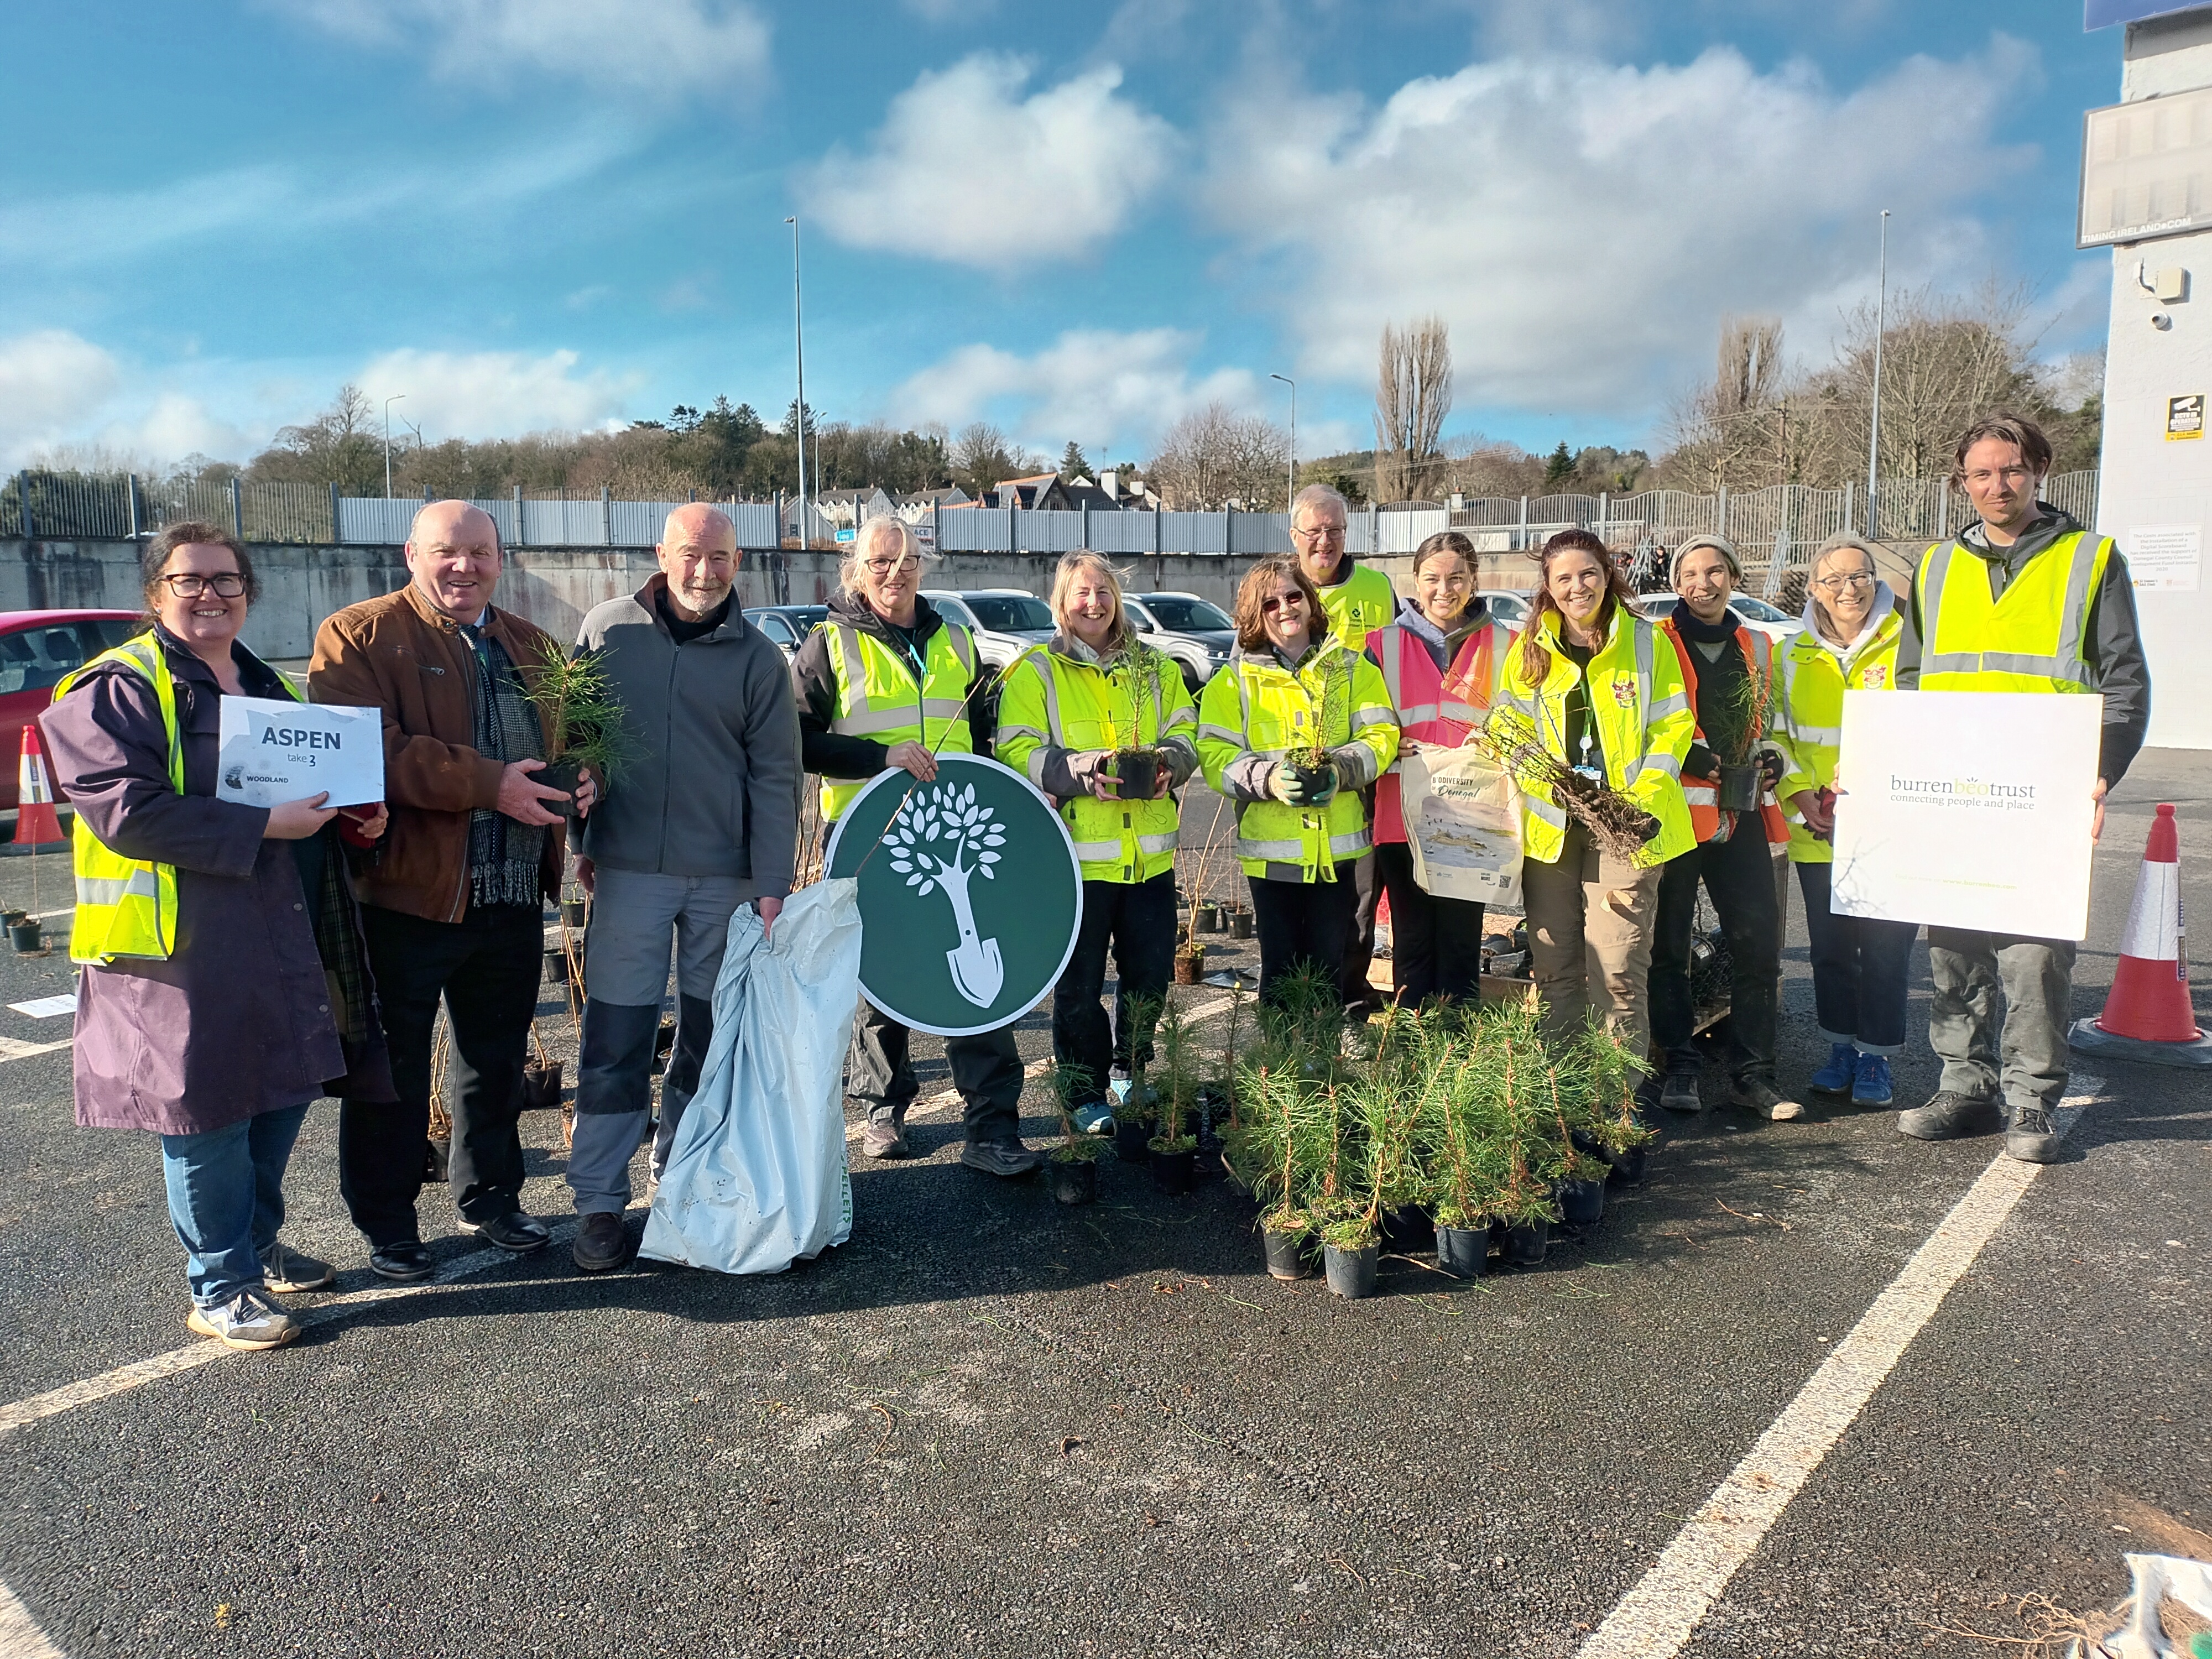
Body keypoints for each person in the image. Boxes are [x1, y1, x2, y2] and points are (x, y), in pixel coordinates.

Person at [41, 523, 393, 1350]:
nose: (211, 594)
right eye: (190, 580)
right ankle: (221, 1287)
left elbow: (311, 791)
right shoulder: (114, 689)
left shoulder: (270, 684)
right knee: (206, 1113)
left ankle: (255, 1241)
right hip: (179, 945)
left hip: (280, 925)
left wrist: (356, 820)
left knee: (282, 1090)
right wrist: (267, 822)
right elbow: (126, 811)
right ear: (156, 592)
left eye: (227, 580)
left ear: (248, 591)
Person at [310, 499, 591, 1279]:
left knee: (493, 1063)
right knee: (392, 1070)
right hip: (407, 897)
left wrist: (580, 785)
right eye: (446, 551)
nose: (463, 566)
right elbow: (367, 748)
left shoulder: (531, 643)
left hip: (509, 894)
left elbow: (562, 747)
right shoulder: (359, 634)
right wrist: (489, 784)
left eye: (479, 552)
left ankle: (493, 1198)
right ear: (411, 554)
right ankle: (389, 1222)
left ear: (501, 559)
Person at [1901, 413, 2150, 1162]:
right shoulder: (1937, 566)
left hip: (2043, 794)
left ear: (2038, 470)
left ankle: (2032, 1099)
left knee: (2033, 955)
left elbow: (2124, 679)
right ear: (1962, 482)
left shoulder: (2090, 558)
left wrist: (2101, 770)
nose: (1996, 485)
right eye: (1980, 474)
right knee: (1954, 948)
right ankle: (1964, 1084)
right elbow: (1912, 680)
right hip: (1953, 791)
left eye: (2010, 470)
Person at [563, 505, 804, 1271]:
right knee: (616, 1039)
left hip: (726, 882)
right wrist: (582, 840)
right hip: (631, 873)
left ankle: (684, 1176)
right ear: (660, 553)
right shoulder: (607, 632)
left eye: (721, 558)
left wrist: (772, 885)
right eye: (691, 555)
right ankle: (600, 1203)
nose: (705, 572)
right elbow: (573, 744)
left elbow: (776, 780)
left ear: (740, 562)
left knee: (705, 1041)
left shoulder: (762, 661)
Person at [791, 517, 1038, 1177]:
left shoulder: (957, 640)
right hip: (869, 837)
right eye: (880, 562)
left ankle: (991, 1126)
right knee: (882, 976)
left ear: (922, 565)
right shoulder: (828, 645)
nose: (894, 572)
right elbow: (799, 739)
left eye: (905, 560)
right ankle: (883, 1106)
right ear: (857, 569)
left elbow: (986, 741)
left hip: (955, 830)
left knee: (980, 980)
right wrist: (879, 757)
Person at [997, 551, 1198, 1131]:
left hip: (1149, 863)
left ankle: (1130, 1071)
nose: (1094, 603)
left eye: (1104, 591)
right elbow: (1015, 749)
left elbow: (1187, 731)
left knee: (1149, 978)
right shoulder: (1036, 670)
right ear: (1061, 604)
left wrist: (1170, 763)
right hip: (1076, 865)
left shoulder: (1155, 669)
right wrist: (1079, 770)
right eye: (1081, 593)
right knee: (1080, 987)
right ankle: (1083, 1094)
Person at [1499, 530, 1694, 1093]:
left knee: (1617, 977)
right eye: (1562, 578)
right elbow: (1507, 731)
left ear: (1607, 574)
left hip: (1626, 831)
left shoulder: (1645, 641)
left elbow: (1673, 725)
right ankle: (1564, 1108)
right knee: (1557, 973)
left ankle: (1613, 1113)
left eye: (1587, 573)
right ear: (1548, 587)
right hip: (1552, 832)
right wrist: (1549, 781)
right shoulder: (1529, 647)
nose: (1576, 586)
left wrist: (1635, 795)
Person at [1197, 555, 1399, 1006]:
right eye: (1270, 603)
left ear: (1310, 602)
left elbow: (1381, 736)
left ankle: (1320, 1069)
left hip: (1337, 852)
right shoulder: (1233, 682)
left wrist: (1339, 771)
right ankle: (1278, 1071)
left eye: (1293, 596)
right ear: (1254, 614)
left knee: (1329, 971)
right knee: (1281, 976)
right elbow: (1214, 757)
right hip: (1273, 858)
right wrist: (1269, 779)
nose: (1285, 608)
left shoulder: (1351, 668)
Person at [1646, 533, 1800, 1123]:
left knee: (1757, 943)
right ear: (1675, 581)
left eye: (1714, 572)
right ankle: (1680, 1064)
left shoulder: (1758, 645)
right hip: (1678, 814)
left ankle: (1752, 1075)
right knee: (1669, 946)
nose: (1702, 584)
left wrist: (1771, 759)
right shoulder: (1656, 641)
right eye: (1689, 573)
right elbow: (1642, 718)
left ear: (1733, 578)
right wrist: (1689, 757)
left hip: (1740, 814)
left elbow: (1772, 721)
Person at [1776, 531, 1921, 1110]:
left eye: (1859, 576)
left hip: (1889, 826)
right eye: (1832, 579)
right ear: (1813, 589)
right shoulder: (1791, 655)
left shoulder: (1908, 647)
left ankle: (1876, 1057)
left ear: (1876, 582)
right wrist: (1796, 793)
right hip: (1819, 828)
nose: (1847, 589)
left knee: (1885, 950)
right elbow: (1775, 733)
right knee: (1831, 950)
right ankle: (1839, 1047)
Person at [1362, 530, 1512, 1004]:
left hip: (1474, 818)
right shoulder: (1380, 647)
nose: (1444, 590)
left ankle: (1458, 1057)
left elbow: (1527, 719)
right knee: (1413, 942)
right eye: (1432, 578)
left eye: (1457, 578)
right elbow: (1354, 725)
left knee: (1462, 942)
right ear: (1415, 581)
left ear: (1474, 581)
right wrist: (1386, 744)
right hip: (1401, 817)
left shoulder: (1507, 645)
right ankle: (1414, 1048)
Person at [1290, 483, 1401, 1010]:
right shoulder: (1280, 589)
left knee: (1364, 887)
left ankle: (1351, 994)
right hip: (1300, 769)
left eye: (1334, 530)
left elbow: (1404, 665)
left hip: (1366, 764)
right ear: (1295, 536)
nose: (1325, 541)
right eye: (1314, 531)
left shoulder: (1379, 589)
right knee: (1306, 895)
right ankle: (1307, 998)